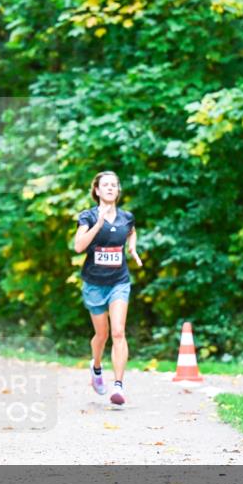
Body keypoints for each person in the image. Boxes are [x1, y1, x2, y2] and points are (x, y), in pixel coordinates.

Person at [73, 171, 142, 406]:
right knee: (101, 335)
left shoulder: (126, 217)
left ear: (118, 190)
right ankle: (97, 365)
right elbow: (79, 246)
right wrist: (99, 223)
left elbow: (132, 232)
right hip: (94, 284)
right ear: (97, 191)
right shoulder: (88, 217)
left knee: (118, 332)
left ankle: (119, 386)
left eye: (114, 184)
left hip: (119, 282)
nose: (110, 188)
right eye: (106, 185)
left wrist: (132, 249)